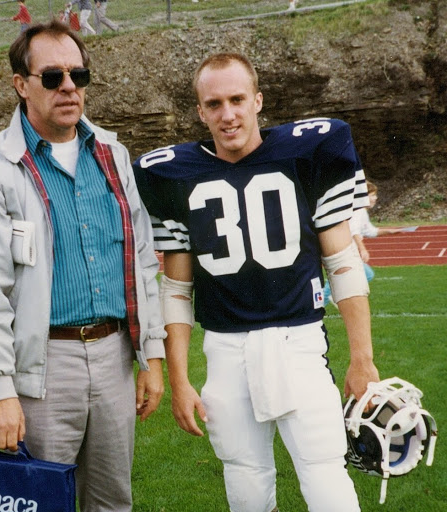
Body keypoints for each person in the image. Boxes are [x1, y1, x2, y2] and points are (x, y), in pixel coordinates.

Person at [133, 53, 380, 512]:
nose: (228, 114)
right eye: (214, 104)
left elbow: (343, 262)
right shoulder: (172, 173)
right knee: (244, 481)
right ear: (200, 111)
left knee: (325, 471)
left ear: (258, 101)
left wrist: (362, 358)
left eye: (237, 99)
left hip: (298, 341)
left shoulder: (309, 152)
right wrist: (182, 379)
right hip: (224, 350)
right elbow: (176, 289)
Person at [0, 20, 165, 512]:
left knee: (113, 503)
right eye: (52, 77)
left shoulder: (113, 154)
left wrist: (151, 357)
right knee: (40, 502)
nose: (69, 87)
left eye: (78, 75)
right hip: (44, 366)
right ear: (21, 85)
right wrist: (0, 391)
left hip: (114, 356)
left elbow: (141, 262)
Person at [324, 180, 405, 305]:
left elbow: (369, 231)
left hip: (349, 250)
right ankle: (323, 301)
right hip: (347, 250)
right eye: (372, 195)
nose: (375, 198)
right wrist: (362, 249)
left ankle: (330, 298)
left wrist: (390, 231)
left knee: (365, 274)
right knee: (360, 275)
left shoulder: (360, 211)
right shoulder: (358, 211)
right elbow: (354, 231)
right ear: (363, 196)